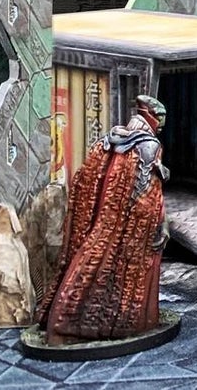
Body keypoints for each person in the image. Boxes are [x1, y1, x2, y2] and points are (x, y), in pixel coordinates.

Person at [38, 96, 170, 343]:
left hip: (103, 222)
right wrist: (160, 223)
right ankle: (116, 325)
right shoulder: (148, 145)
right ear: (150, 116)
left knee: (92, 265)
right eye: (160, 118)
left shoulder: (108, 140)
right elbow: (145, 193)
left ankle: (69, 320)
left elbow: (83, 179)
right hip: (131, 228)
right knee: (123, 277)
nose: (161, 124)